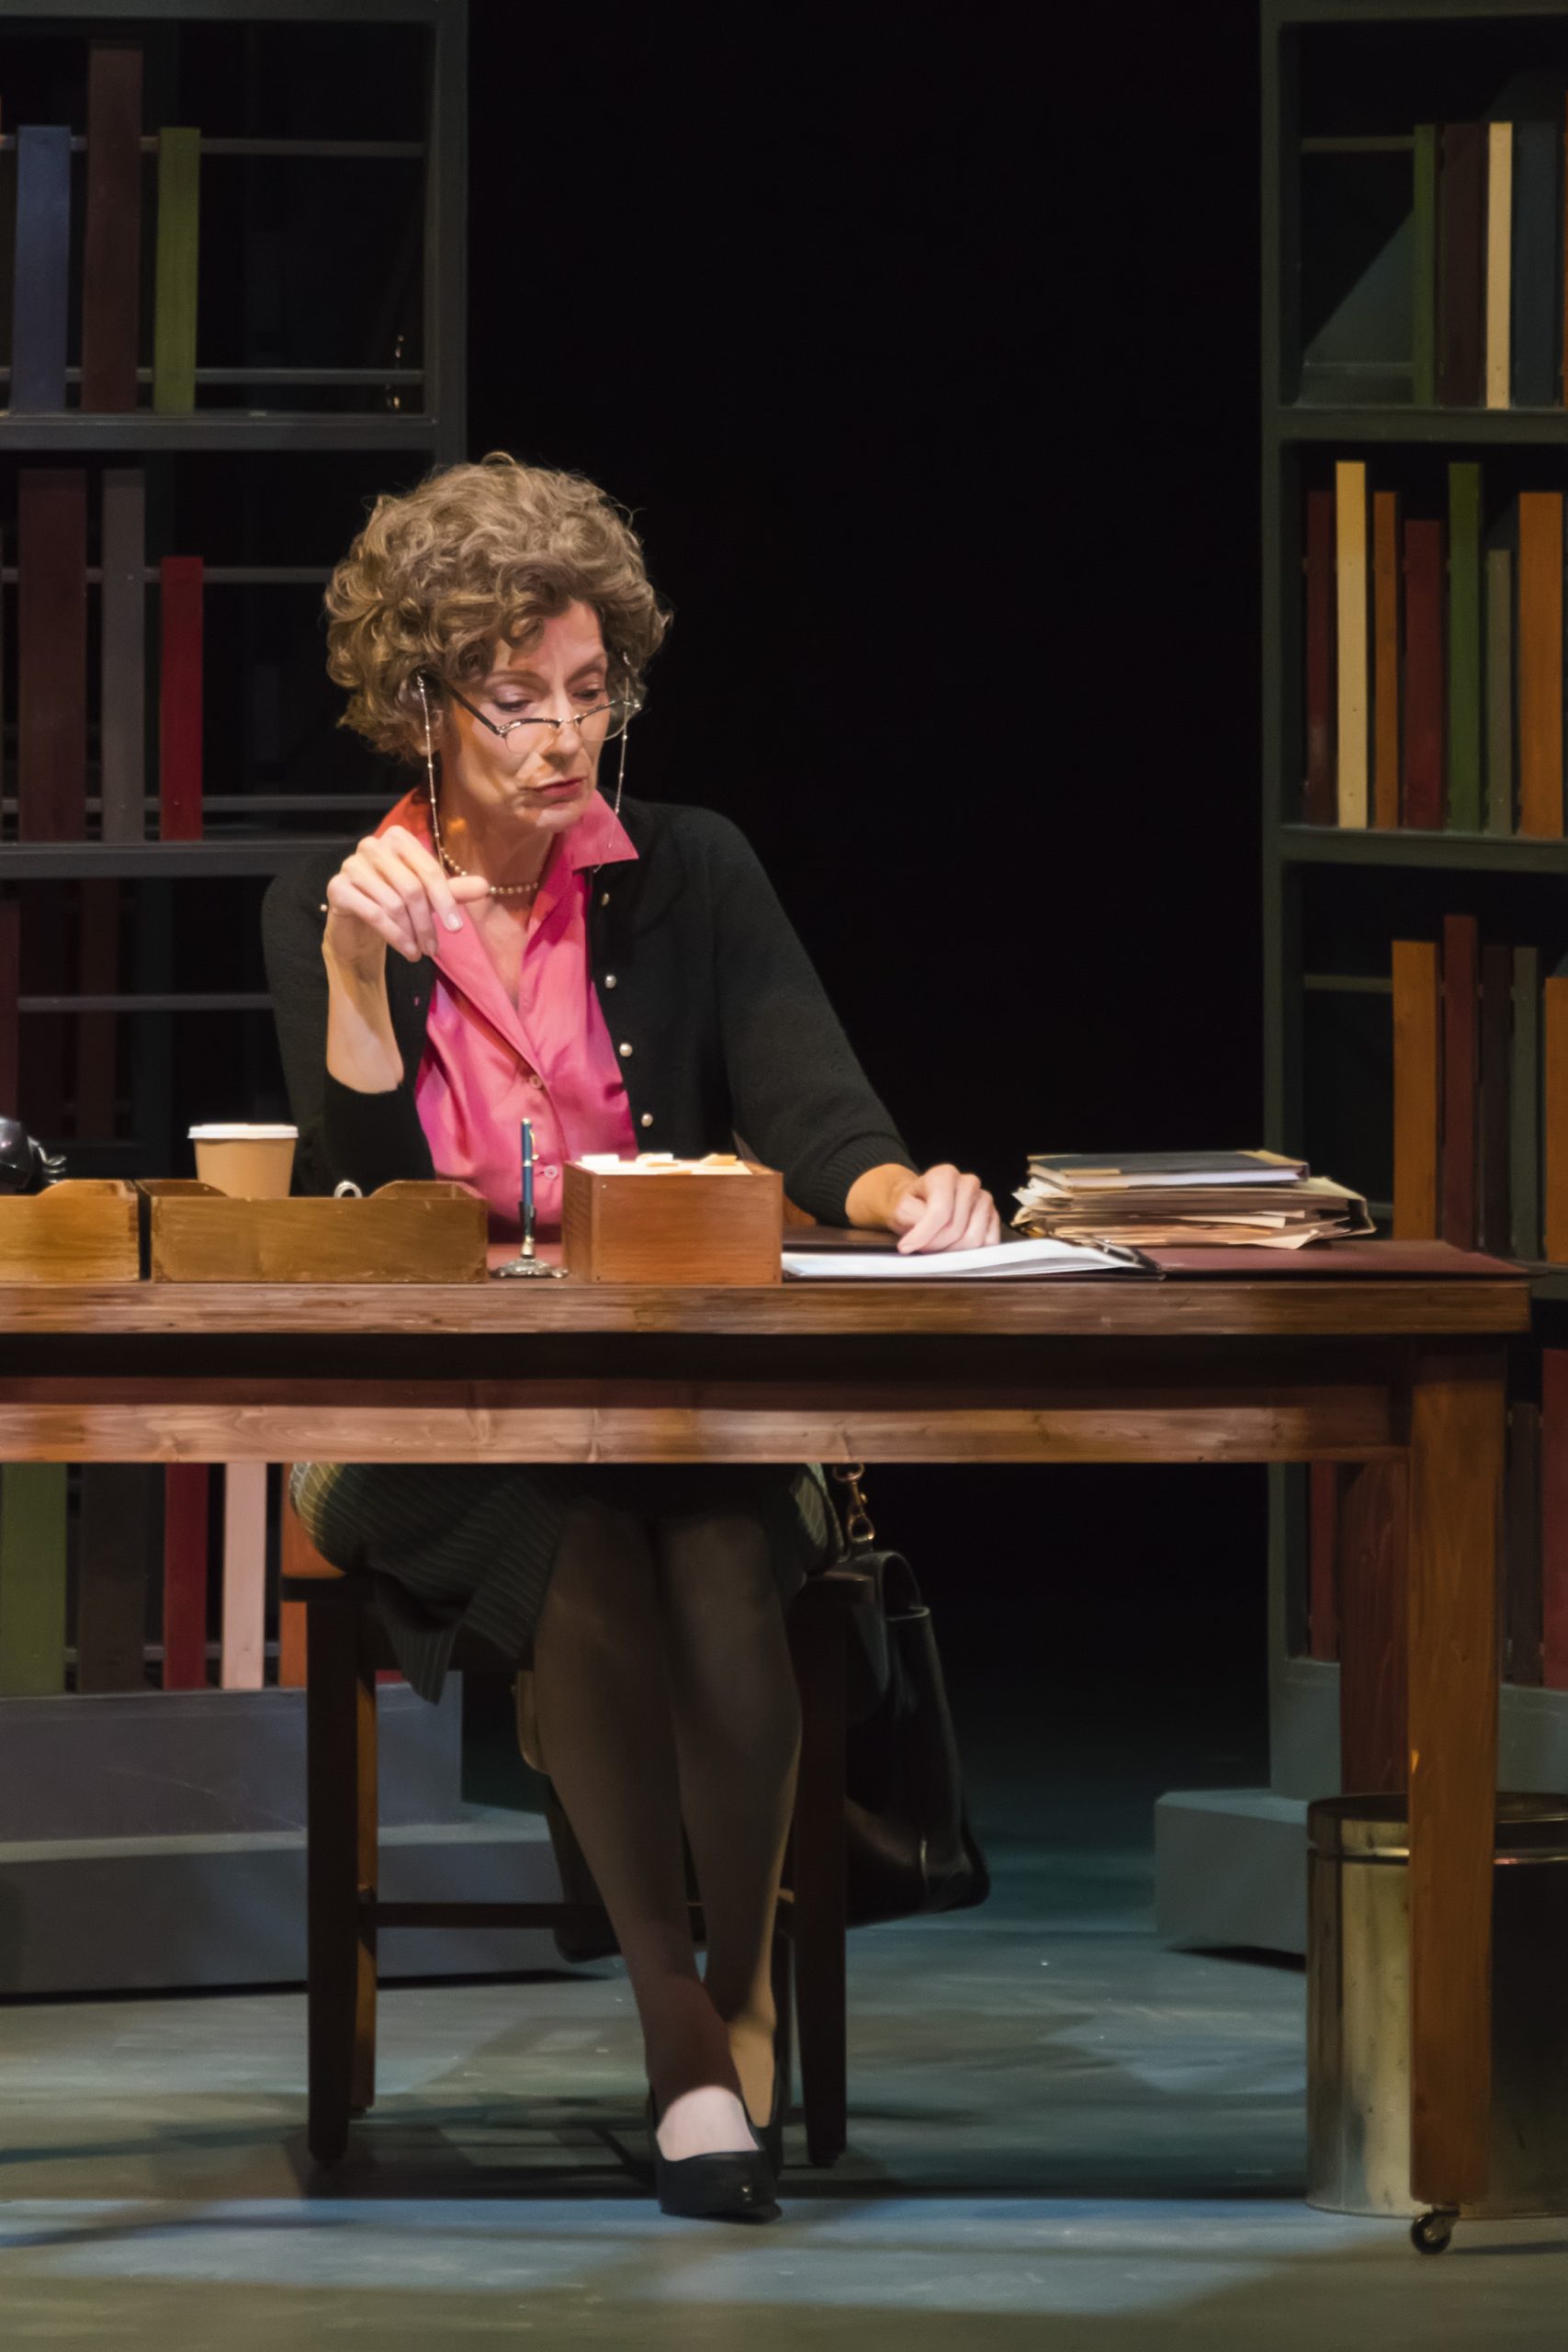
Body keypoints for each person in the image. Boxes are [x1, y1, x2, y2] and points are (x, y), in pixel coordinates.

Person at [262, 453, 1001, 2221]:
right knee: (584, 1532)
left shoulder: (688, 870)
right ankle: (683, 2037)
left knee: (724, 1543)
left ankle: (737, 2005)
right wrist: (361, 979)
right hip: (430, 1422)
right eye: (517, 701)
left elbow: (813, 1107)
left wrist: (905, 1193)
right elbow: (357, 1209)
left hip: (680, 1394)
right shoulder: (336, 903)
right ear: (422, 704)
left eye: (592, 693)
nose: (564, 738)